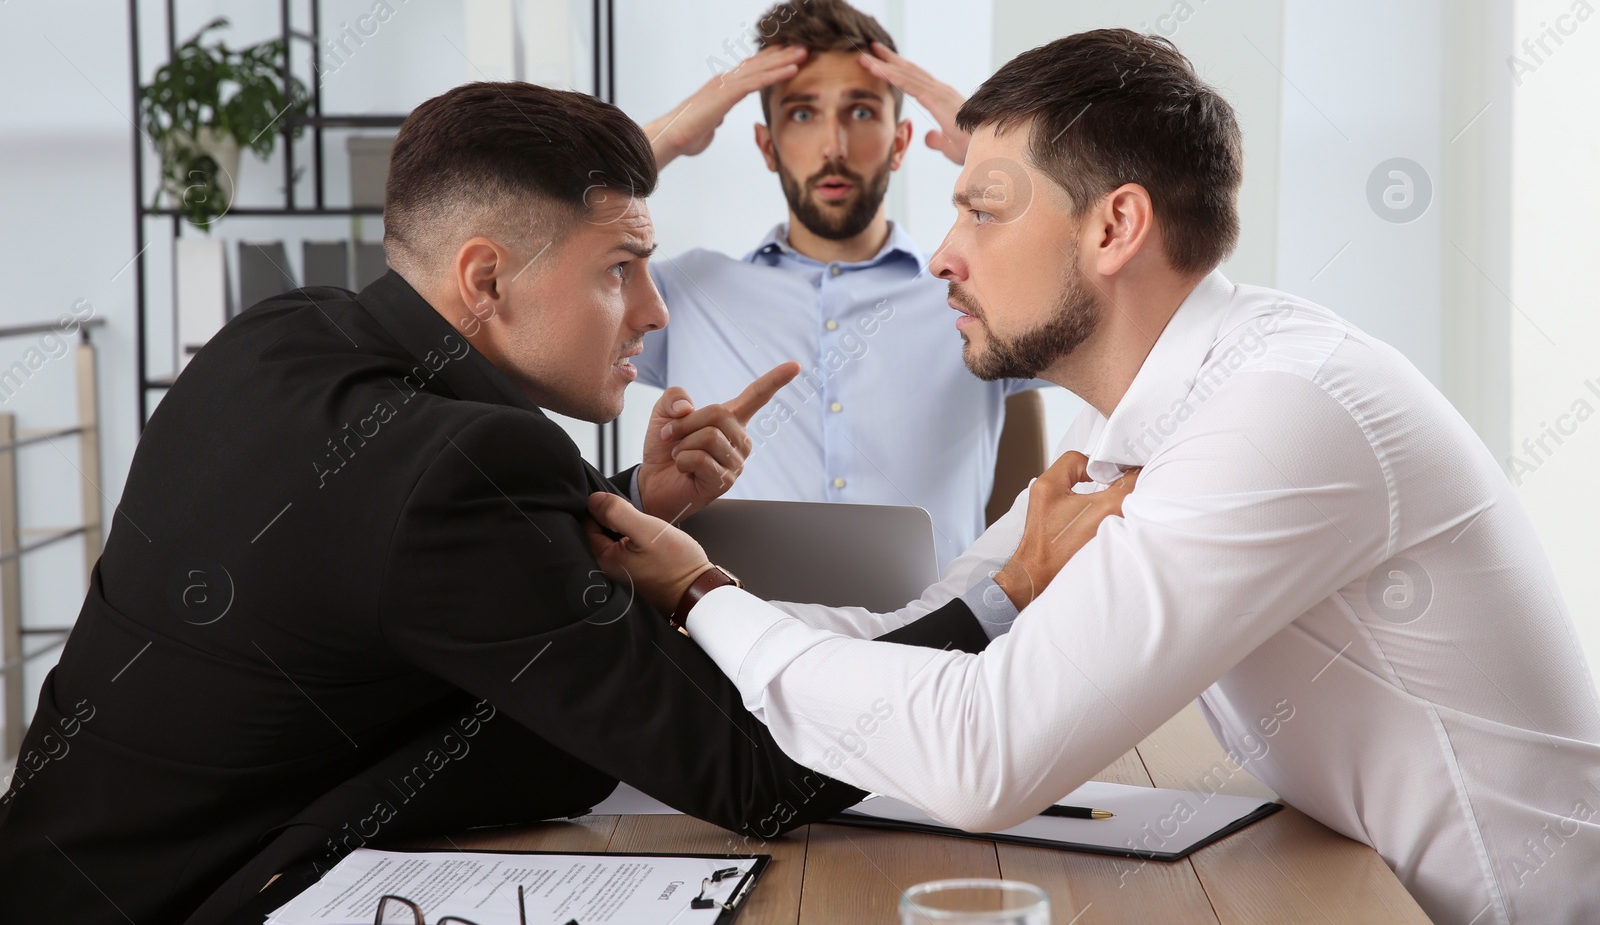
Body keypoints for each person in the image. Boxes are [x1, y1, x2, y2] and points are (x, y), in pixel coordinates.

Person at [588, 30, 1600, 924]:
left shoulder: (1280, 409)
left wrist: (702, 591)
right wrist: (681, 611)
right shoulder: (1138, 417)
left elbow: (983, 754)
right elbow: (922, 620)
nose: (941, 256)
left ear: (1113, 228)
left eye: (982, 210)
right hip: (1364, 880)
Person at [0, 83, 1002, 925]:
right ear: (485, 277)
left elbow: (386, 552)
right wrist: (1012, 588)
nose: (653, 313)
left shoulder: (277, 335)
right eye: (620, 268)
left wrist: (632, 498)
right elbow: (758, 775)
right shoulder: (465, 463)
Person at [640, 0, 1046, 569]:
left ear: (900, 141)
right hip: (725, 650)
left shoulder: (980, 290)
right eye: (802, 114)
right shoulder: (684, 292)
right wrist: (666, 137)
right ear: (767, 145)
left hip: (934, 652)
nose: (834, 147)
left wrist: (1001, 155)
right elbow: (533, 266)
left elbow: (1116, 297)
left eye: (860, 112)